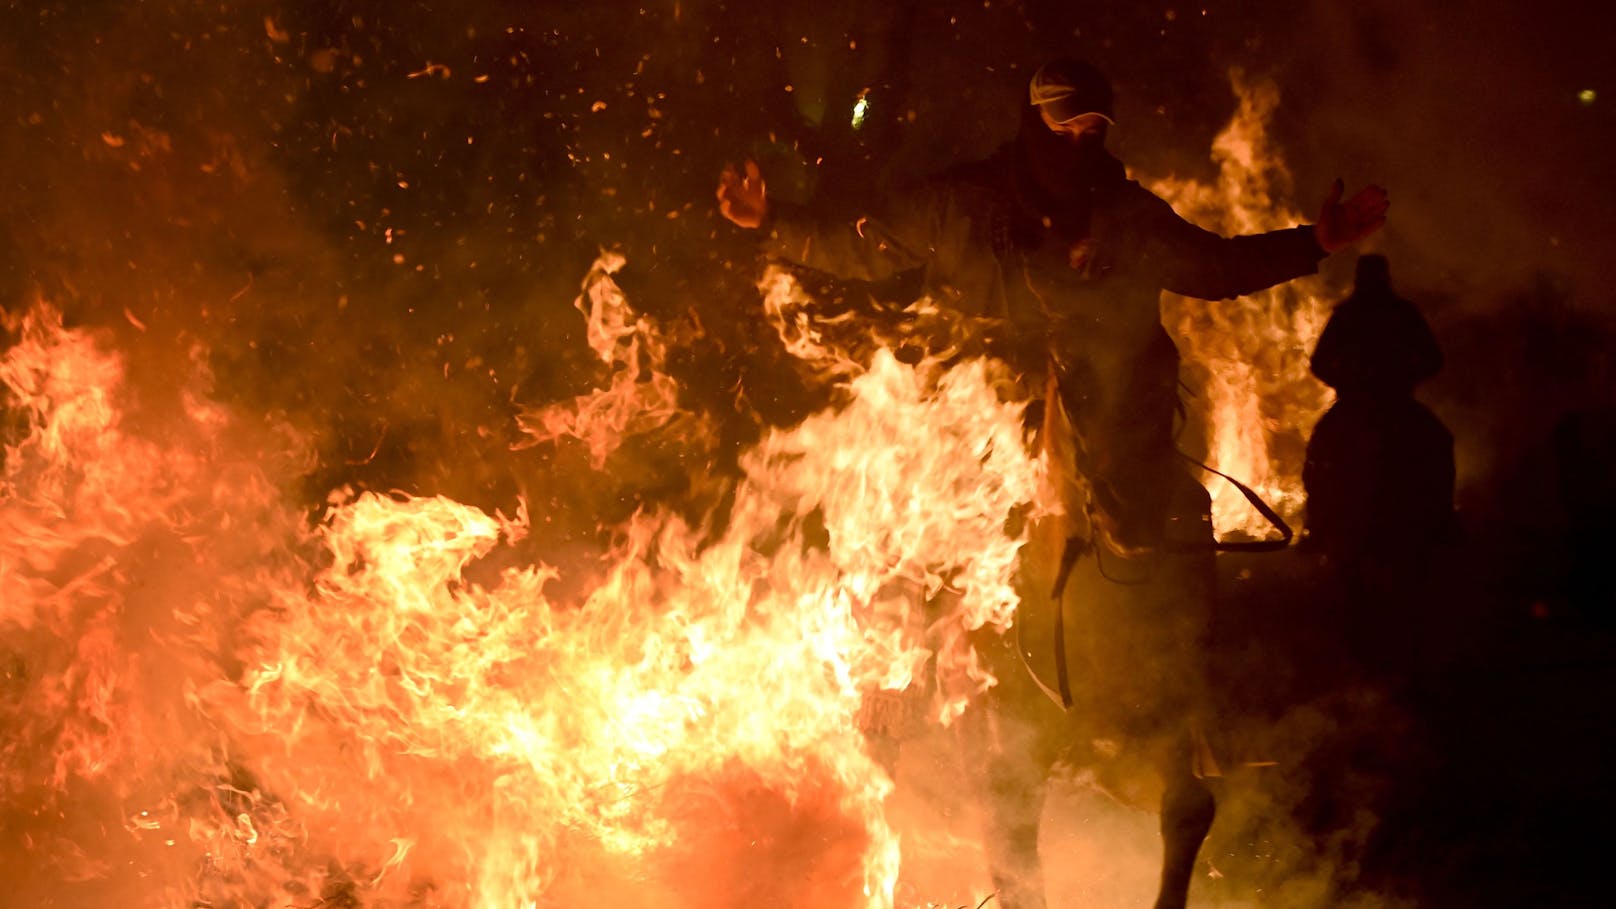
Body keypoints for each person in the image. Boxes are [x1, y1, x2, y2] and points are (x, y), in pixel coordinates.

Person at [719, 57, 1388, 909]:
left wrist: (1315, 244)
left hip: (1122, 438)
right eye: (1066, 128)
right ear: (1034, 124)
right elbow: (862, 240)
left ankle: (1198, 718)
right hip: (985, 439)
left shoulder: (1125, 216)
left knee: (1179, 522)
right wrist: (773, 220)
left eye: (1094, 131)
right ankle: (908, 744)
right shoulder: (965, 203)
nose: (1080, 143)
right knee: (942, 577)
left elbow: (1214, 268)